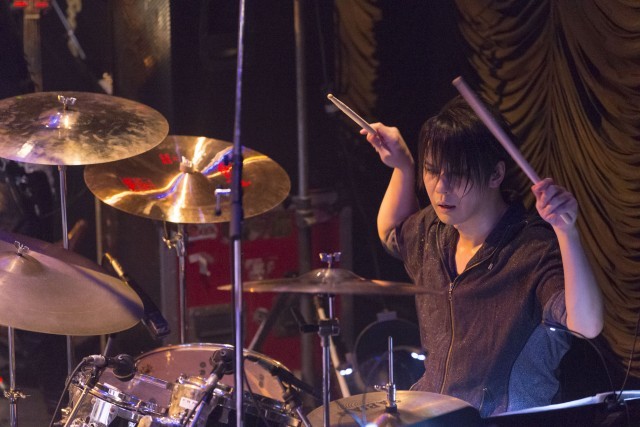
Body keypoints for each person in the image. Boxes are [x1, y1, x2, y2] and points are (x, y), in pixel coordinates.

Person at [361, 95, 603, 417]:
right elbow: (391, 232)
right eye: (432, 170)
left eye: (458, 173)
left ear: (495, 174)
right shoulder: (434, 231)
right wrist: (403, 166)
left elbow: (586, 325)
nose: (441, 187)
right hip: (436, 418)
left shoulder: (532, 249)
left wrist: (566, 232)